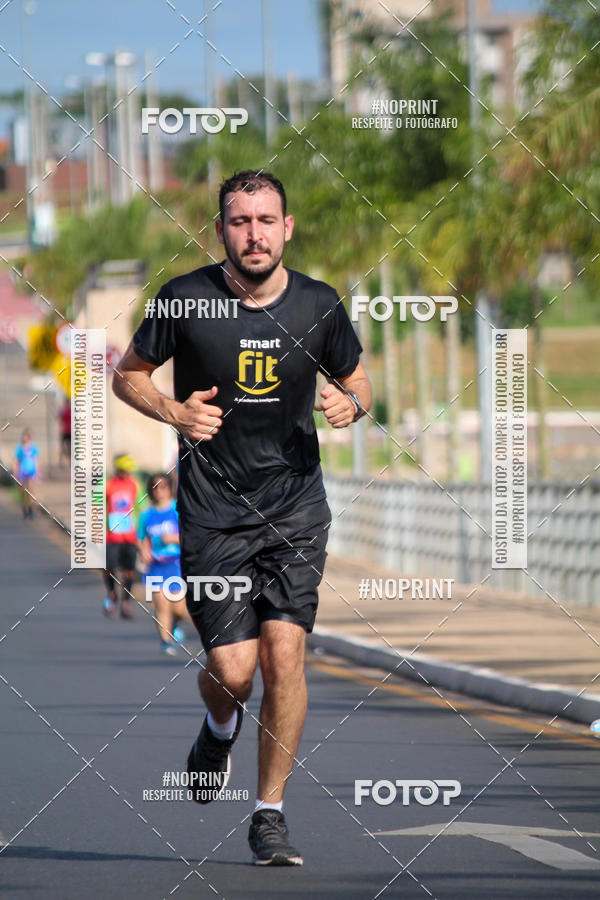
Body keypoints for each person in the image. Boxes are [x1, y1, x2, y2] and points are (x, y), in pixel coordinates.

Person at [112, 170, 372, 865]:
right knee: (233, 669)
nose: (253, 233)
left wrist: (354, 404)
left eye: (266, 220)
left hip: (295, 509)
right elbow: (127, 374)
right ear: (219, 229)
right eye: (239, 221)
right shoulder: (186, 299)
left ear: (287, 228)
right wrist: (174, 411)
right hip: (213, 512)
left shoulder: (318, 304)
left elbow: (356, 375)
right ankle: (216, 726)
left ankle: (268, 813)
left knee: (285, 654)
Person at [138, 472, 192, 655]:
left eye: (163, 486)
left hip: (176, 564)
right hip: (156, 566)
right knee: (161, 605)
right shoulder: (146, 514)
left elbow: (191, 536)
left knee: (177, 608)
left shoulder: (178, 510)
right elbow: (141, 537)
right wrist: (144, 550)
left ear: (169, 488)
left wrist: (174, 539)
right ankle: (165, 641)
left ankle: (173, 626)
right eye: (155, 487)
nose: (159, 491)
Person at [103, 454, 138, 619]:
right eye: (123, 470)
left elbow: (140, 507)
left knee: (129, 571)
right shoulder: (108, 484)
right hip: (112, 535)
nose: (126, 473)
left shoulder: (134, 484)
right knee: (109, 568)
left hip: (129, 536)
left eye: (128, 470)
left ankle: (125, 602)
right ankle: (111, 594)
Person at [14, 429, 39, 519]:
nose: (26, 440)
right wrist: (16, 473)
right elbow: (16, 461)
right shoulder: (19, 449)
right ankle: (25, 509)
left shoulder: (33, 449)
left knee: (31, 492)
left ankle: (31, 510)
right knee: (23, 492)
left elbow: (36, 460)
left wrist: (37, 472)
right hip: (22, 473)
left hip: (31, 472)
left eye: (27, 438)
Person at [58, 398, 71, 467]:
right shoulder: (68, 410)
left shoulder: (66, 410)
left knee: (67, 447)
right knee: (64, 447)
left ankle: (66, 461)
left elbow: (61, 418)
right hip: (66, 430)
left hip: (68, 431)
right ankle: (62, 461)